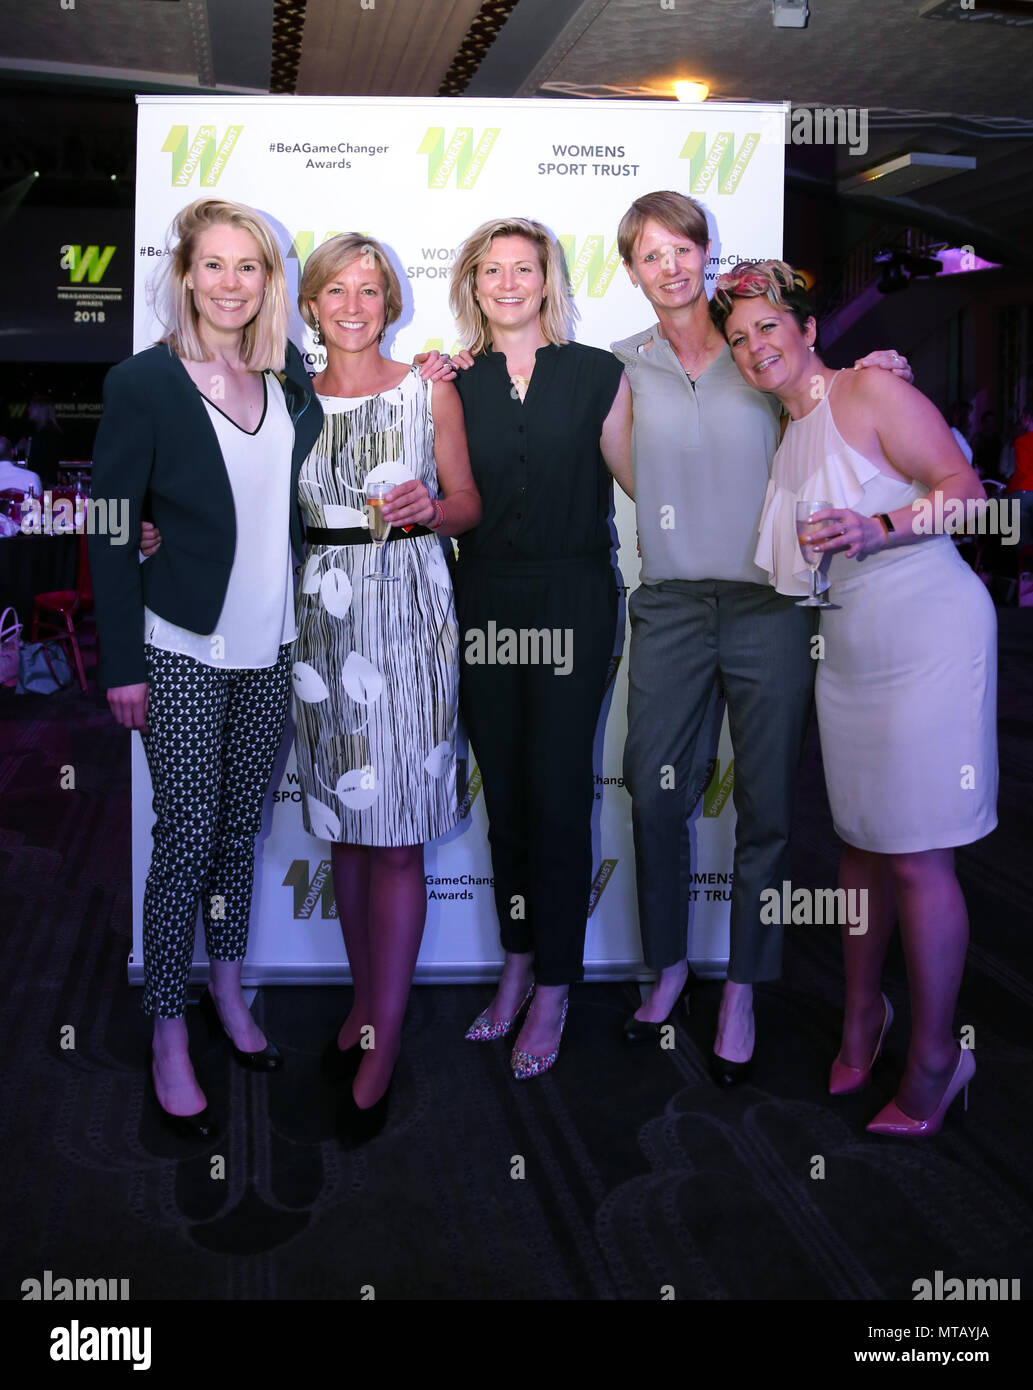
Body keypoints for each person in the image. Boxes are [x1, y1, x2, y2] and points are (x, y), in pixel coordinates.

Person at [612, 190, 911, 1084]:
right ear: (629, 270)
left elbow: (818, 397)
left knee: (769, 810)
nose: (667, 268)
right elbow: (611, 463)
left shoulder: (754, 351)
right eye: (647, 255)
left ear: (706, 254)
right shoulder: (618, 366)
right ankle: (667, 968)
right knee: (656, 797)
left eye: (680, 249)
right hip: (667, 604)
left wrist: (872, 368)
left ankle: (743, 982)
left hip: (768, 606)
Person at [713, 259, 996, 1135]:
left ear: (804, 327)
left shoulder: (868, 390)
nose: (755, 346)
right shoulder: (789, 431)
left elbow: (967, 493)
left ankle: (938, 1057)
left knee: (916, 854)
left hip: (927, 633)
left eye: (768, 327)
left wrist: (878, 527)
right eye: (738, 338)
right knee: (860, 848)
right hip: (847, 648)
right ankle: (861, 1018)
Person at [89, 197, 326, 1140]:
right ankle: (167, 1028)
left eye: (251, 267)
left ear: (270, 282)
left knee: (238, 834)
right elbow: (114, 526)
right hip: (180, 645)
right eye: (215, 265)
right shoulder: (143, 382)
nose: (232, 283)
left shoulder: (288, 375)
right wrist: (120, 665)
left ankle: (228, 991)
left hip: (270, 648)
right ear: (185, 273)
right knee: (185, 836)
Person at [296, 234, 481, 1138]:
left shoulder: (428, 384)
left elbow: (468, 504)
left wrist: (429, 509)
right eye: (338, 288)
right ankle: (363, 1000)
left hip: (409, 609)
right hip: (319, 627)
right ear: (311, 302)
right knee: (345, 828)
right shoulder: (287, 394)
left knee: (398, 833)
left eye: (371, 289)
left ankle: (387, 1035)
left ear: (393, 301)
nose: (355, 304)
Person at [447, 217, 633, 1079]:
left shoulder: (599, 373)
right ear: (472, 284)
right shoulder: (449, 381)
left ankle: (555, 982)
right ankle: (516, 959)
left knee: (559, 797)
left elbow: (650, 477)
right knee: (509, 801)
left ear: (548, 280)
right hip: (480, 599)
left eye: (525, 269)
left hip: (572, 600)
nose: (509, 283)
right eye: (494, 271)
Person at [1008, 402, 1033, 547]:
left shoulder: (1021, 441)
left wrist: (1008, 491)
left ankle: (1023, 567)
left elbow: (1022, 472)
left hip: (1025, 494)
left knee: (1022, 542)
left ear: (1028, 418)